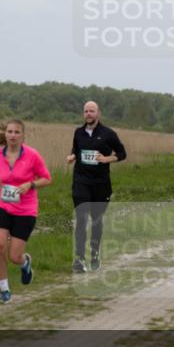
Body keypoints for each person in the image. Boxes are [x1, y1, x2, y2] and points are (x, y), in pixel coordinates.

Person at [0, 119, 52, 303]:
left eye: (17, 132)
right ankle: (4, 291)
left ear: (23, 135)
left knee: (14, 256)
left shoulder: (32, 155)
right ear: (5, 134)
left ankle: (25, 263)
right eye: (10, 131)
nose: (13, 135)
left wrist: (31, 184)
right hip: (3, 205)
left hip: (25, 210)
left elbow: (47, 178)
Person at [65, 101, 127, 273]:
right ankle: (79, 259)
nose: (88, 114)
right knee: (81, 219)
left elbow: (122, 153)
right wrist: (72, 156)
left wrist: (107, 159)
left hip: (100, 184)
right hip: (81, 181)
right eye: (86, 111)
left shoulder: (108, 134)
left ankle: (94, 254)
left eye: (91, 111)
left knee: (96, 221)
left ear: (98, 113)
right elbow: (76, 150)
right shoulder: (78, 132)